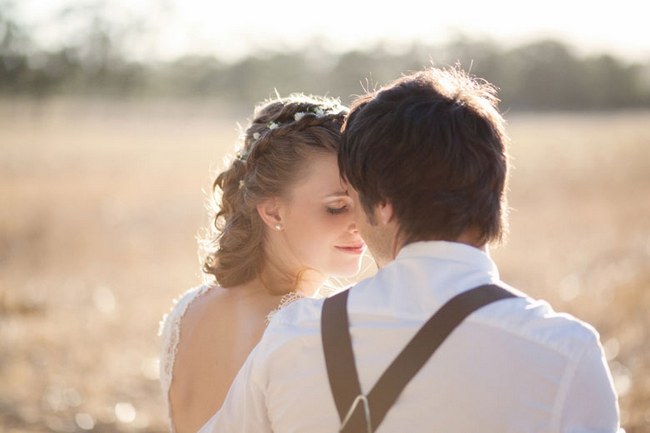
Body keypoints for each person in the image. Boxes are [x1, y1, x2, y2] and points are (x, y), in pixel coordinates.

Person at [198, 66, 622, 433]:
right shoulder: (566, 353)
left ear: (383, 205)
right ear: (494, 188)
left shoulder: (294, 337)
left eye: (355, 196)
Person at [158, 94, 366, 433]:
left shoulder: (187, 312)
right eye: (337, 206)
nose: (361, 221)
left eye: (365, 200)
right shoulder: (310, 329)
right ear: (272, 211)